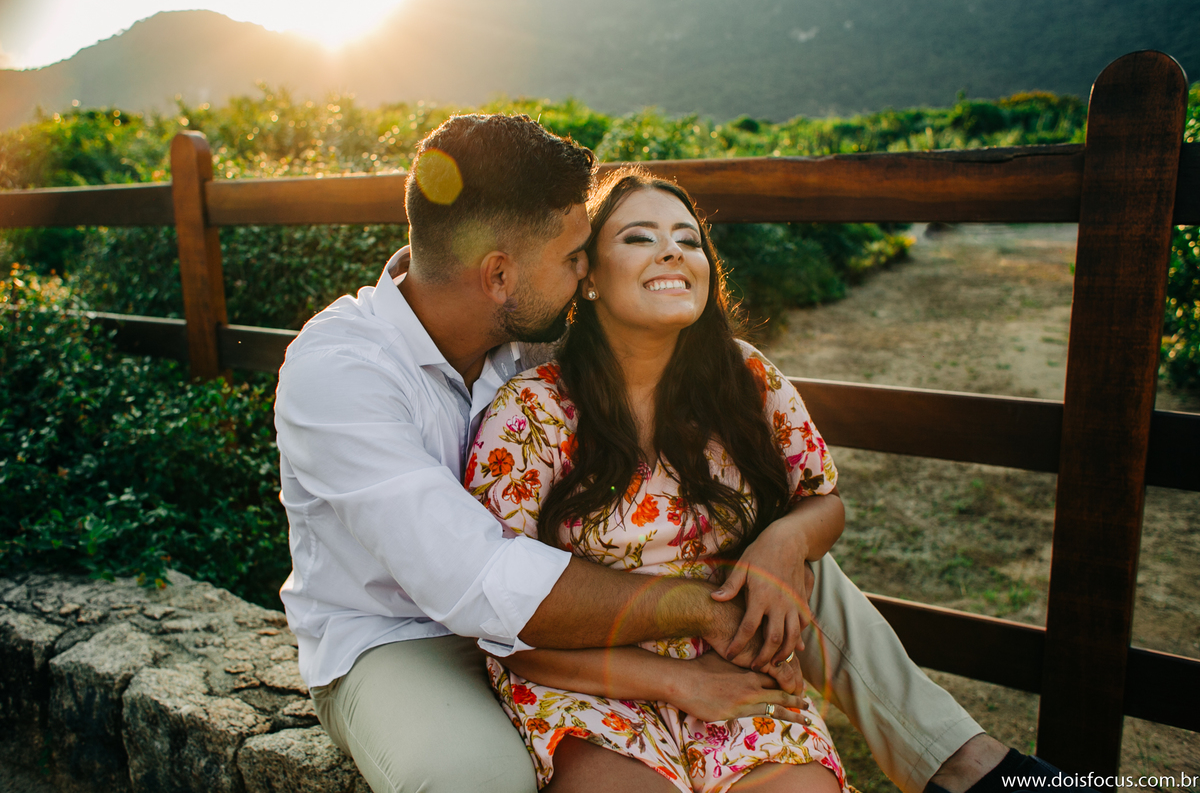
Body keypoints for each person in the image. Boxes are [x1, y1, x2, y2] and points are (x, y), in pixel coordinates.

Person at [273, 112, 1058, 793]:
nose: (586, 268)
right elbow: (478, 583)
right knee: (475, 780)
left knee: (781, 564)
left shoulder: (525, 343)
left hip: (567, 623)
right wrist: (695, 619)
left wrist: (778, 545)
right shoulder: (340, 372)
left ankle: (966, 766)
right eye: (576, 254)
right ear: (499, 274)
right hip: (401, 639)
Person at [467, 167, 847, 792]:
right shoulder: (531, 412)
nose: (673, 250)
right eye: (640, 237)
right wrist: (680, 682)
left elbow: (822, 498)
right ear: (586, 274)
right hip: (591, 683)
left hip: (736, 669)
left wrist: (785, 542)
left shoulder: (748, 377)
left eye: (689, 239)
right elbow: (501, 622)